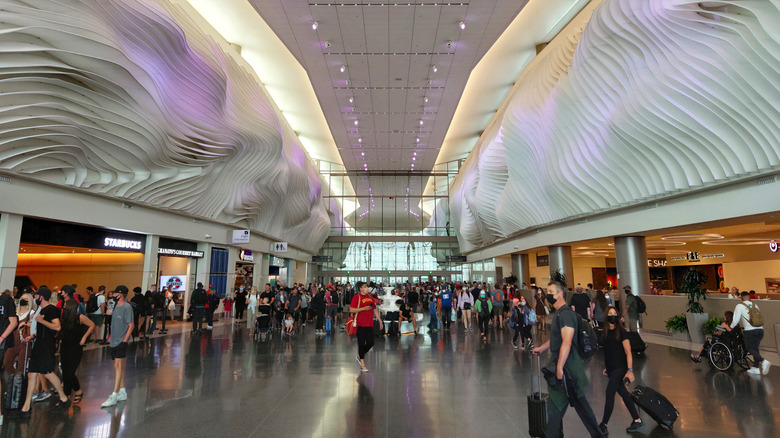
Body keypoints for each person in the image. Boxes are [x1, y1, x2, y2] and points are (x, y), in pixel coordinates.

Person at [532, 281, 602, 438]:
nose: (547, 294)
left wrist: (559, 367)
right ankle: (598, 435)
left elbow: (567, 341)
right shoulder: (559, 313)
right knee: (580, 405)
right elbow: (558, 338)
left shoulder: (565, 314)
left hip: (568, 368)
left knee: (555, 408)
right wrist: (542, 348)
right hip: (569, 368)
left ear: (559, 294)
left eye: (550, 291)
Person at [18, 286, 69, 418]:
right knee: (32, 374)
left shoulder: (51, 309)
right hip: (38, 345)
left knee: (47, 373)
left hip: (46, 346)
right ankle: (26, 406)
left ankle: (64, 398)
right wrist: (33, 335)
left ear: (42, 296)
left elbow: (57, 326)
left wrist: (41, 320)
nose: (34, 298)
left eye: (36, 296)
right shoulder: (41, 310)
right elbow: (41, 329)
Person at [599, 305, 642, 435]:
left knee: (609, 393)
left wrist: (630, 370)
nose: (613, 316)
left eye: (615, 314)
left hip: (620, 368)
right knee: (623, 393)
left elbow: (628, 352)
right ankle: (637, 419)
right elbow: (609, 351)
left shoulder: (622, 332)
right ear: (607, 316)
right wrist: (607, 367)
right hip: (611, 369)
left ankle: (603, 424)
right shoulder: (605, 332)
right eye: (610, 314)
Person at [101, 285, 135, 407]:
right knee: (117, 367)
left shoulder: (127, 307)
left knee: (117, 365)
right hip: (113, 340)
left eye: (115, 294)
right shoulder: (115, 306)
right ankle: (122, 391)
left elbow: (131, 325)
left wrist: (124, 340)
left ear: (119, 295)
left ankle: (114, 394)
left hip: (121, 341)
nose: (113, 295)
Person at [59, 298, 95, 405]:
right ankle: (66, 395)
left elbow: (92, 325)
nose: (64, 305)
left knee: (70, 372)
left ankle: (78, 390)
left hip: (75, 347)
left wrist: (84, 337)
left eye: (65, 304)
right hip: (65, 346)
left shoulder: (80, 317)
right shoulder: (64, 317)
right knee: (65, 372)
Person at [731, 292, 770, 375]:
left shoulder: (739, 306)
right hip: (760, 330)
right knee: (755, 349)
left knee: (749, 348)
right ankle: (756, 368)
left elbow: (735, 320)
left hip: (750, 331)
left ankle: (763, 361)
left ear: (741, 298)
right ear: (749, 298)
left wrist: (731, 327)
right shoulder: (755, 305)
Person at [350, 281, 382, 373]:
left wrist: (380, 320)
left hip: (369, 323)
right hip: (360, 324)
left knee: (371, 342)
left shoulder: (370, 297)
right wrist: (363, 309)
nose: (367, 288)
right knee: (361, 343)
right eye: (365, 287)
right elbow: (351, 309)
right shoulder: (357, 297)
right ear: (360, 289)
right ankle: (362, 365)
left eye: (367, 287)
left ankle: (360, 355)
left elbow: (374, 309)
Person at [0, 289, 19, 423]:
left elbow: (14, 322)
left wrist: (1, 338)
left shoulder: (6, 300)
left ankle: (0, 413)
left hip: (2, 342)